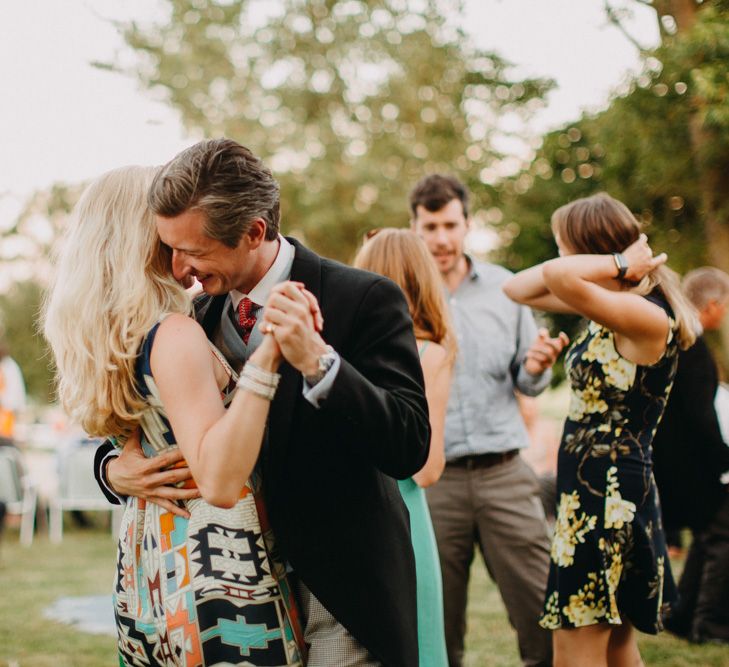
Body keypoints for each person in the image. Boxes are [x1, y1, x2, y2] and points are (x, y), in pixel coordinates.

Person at [90, 139, 430, 666]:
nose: (179, 270)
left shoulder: (363, 298)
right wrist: (112, 471)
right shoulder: (193, 318)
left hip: (339, 595)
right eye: (169, 248)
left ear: (253, 231)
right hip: (233, 588)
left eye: (194, 251)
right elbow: (152, 420)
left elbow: (409, 445)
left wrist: (320, 362)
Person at [44, 165, 311, 665]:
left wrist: (115, 468)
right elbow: (220, 479)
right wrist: (268, 359)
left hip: (147, 560)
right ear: (145, 239)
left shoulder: (119, 339)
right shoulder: (173, 333)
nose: (185, 244)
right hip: (215, 561)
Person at [503, 192, 698, 667]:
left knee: (577, 646)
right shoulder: (611, 305)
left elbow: (552, 276)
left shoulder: (644, 316)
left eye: (564, 246)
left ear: (592, 248)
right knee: (613, 645)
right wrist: (616, 267)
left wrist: (615, 263)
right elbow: (517, 288)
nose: (563, 258)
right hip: (595, 492)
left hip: (606, 497)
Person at [409, 174, 567, 667]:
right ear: (413, 226)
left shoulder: (507, 288)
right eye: (430, 225)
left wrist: (537, 367)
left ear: (467, 225)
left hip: (505, 473)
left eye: (450, 224)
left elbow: (526, 380)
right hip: (434, 481)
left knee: (542, 610)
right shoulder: (398, 292)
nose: (441, 237)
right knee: (436, 624)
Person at [354, 228, 455, 667]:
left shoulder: (340, 347)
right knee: (416, 648)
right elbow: (427, 469)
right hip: (403, 516)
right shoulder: (429, 353)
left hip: (345, 506)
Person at [653, 266, 729, 644]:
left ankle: (683, 616)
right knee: (722, 538)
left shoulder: (673, 337)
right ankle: (710, 626)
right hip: (692, 467)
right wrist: (724, 459)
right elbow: (702, 415)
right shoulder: (693, 343)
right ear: (713, 304)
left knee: (707, 537)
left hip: (672, 463)